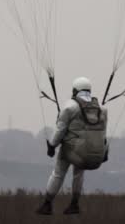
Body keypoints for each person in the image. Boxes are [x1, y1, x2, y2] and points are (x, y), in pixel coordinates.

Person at [36, 76, 108, 215]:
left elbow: (60, 130)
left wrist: (52, 146)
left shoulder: (70, 107)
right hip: (94, 156)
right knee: (79, 172)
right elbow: (103, 134)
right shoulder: (102, 109)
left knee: (59, 172)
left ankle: (47, 204)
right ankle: (74, 205)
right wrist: (105, 152)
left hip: (75, 153)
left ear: (75, 90)